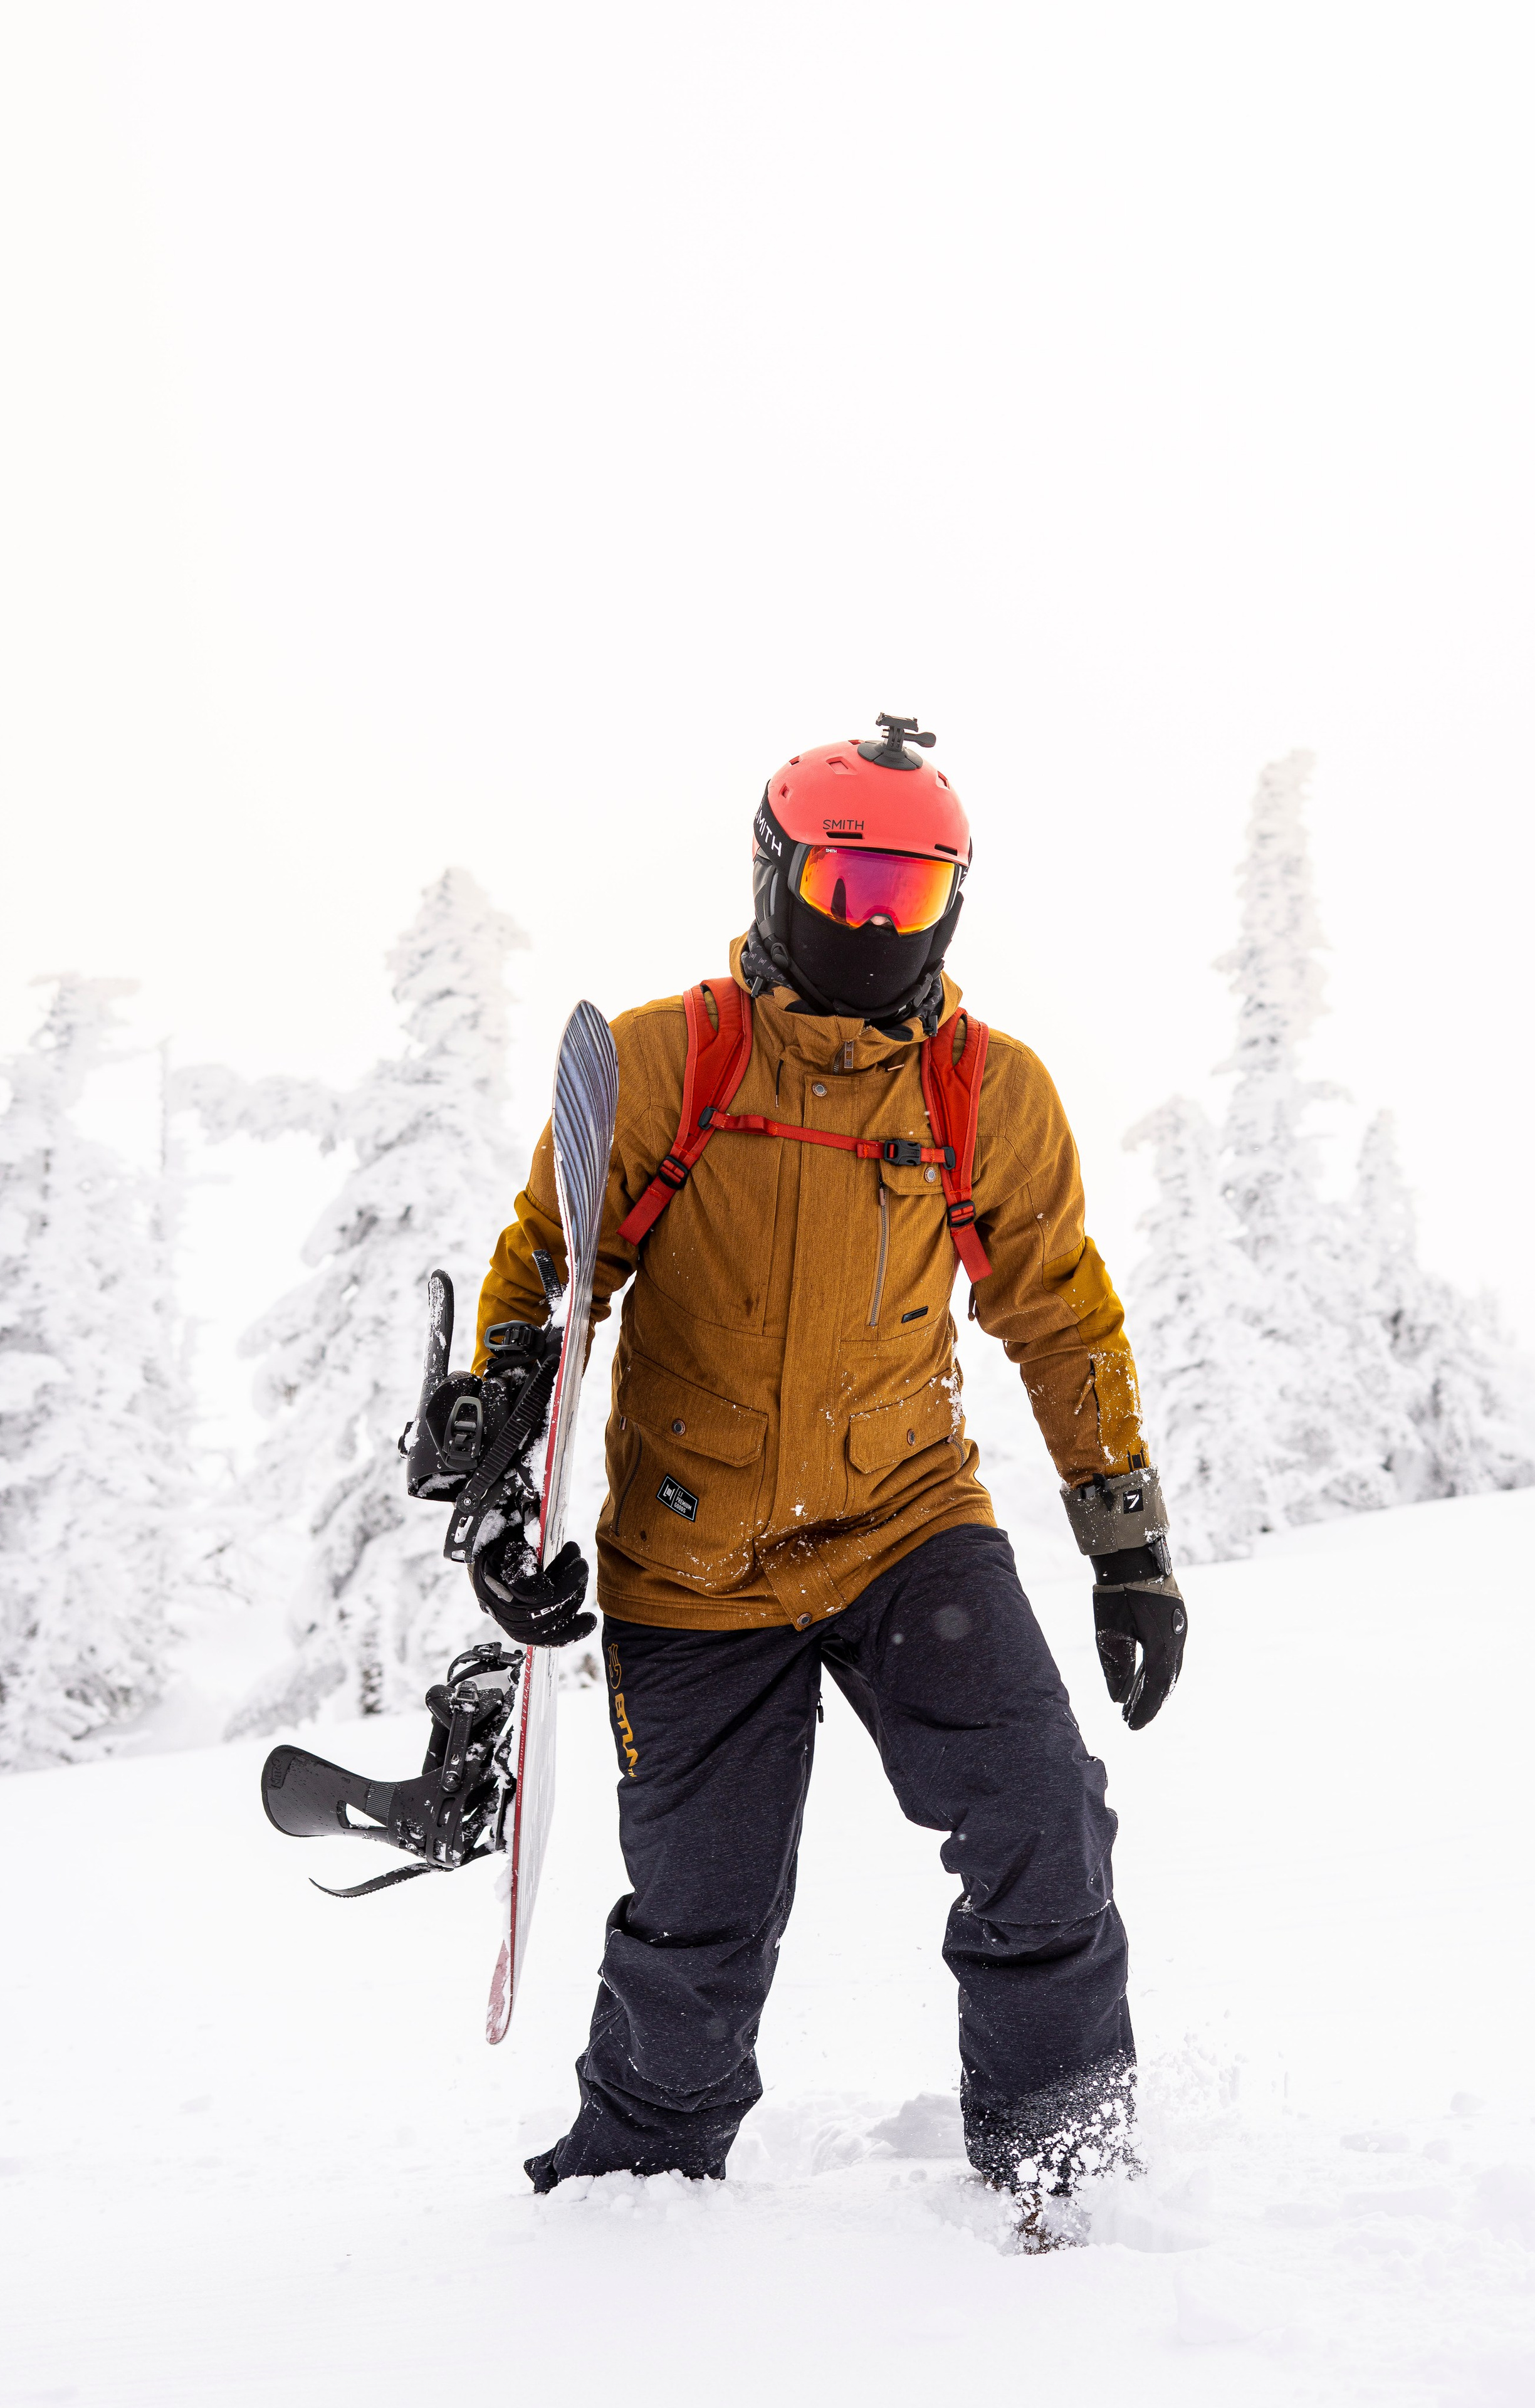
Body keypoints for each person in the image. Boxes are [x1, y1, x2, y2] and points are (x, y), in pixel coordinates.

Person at [468, 714, 1187, 2233]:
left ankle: (1063, 2166)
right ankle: (637, 2200)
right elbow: (550, 1277)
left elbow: (1057, 1307)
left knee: (1042, 1816)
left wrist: (1126, 1545)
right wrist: (501, 1469)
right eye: (849, 886)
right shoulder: (678, 1060)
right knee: (699, 1918)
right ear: (774, 873)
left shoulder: (982, 1092)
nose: (877, 923)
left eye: (911, 896)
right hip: (691, 1562)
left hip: (902, 1529)